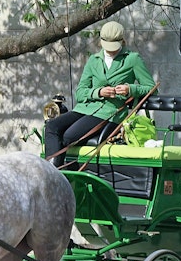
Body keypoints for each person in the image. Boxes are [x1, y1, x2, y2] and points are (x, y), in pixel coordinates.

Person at [43, 21, 156, 167]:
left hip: (110, 113)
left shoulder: (132, 59)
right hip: (84, 109)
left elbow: (151, 88)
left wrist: (130, 89)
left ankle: (58, 174)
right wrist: (98, 92)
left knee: (68, 136)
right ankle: (50, 171)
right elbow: (80, 93)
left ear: (122, 41)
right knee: (52, 126)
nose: (110, 51)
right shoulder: (93, 60)